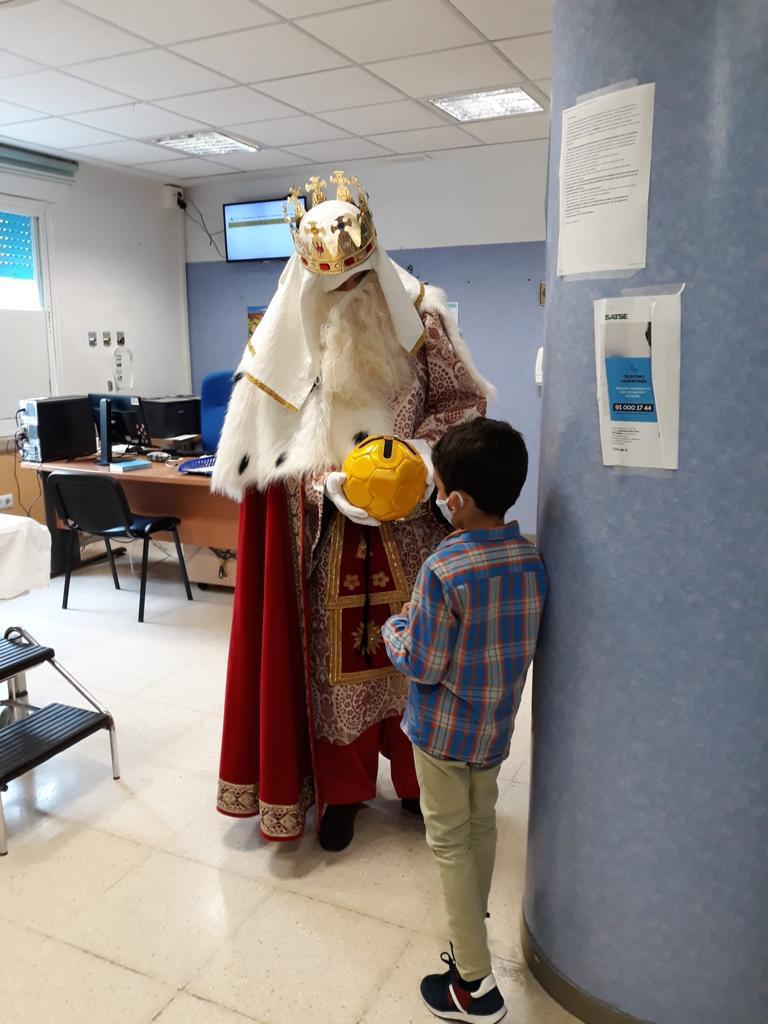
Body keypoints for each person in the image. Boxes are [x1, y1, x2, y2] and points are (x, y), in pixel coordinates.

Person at [212, 170, 494, 851]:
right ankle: (342, 795)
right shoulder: (283, 344)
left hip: (415, 534)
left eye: (357, 277)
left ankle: (420, 784)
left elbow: (463, 406)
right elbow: (267, 447)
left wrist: (423, 465)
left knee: (420, 665)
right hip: (328, 537)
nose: (346, 293)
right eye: (331, 283)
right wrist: (321, 484)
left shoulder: (422, 318)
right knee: (336, 678)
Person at [382, 418, 548, 1022]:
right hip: (494, 728)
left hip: (443, 733)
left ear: (455, 501)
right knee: (481, 828)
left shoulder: (443, 569)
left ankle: (474, 987)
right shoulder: (530, 559)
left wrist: (394, 627)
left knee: (449, 843)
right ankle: (468, 940)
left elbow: (421, 663)